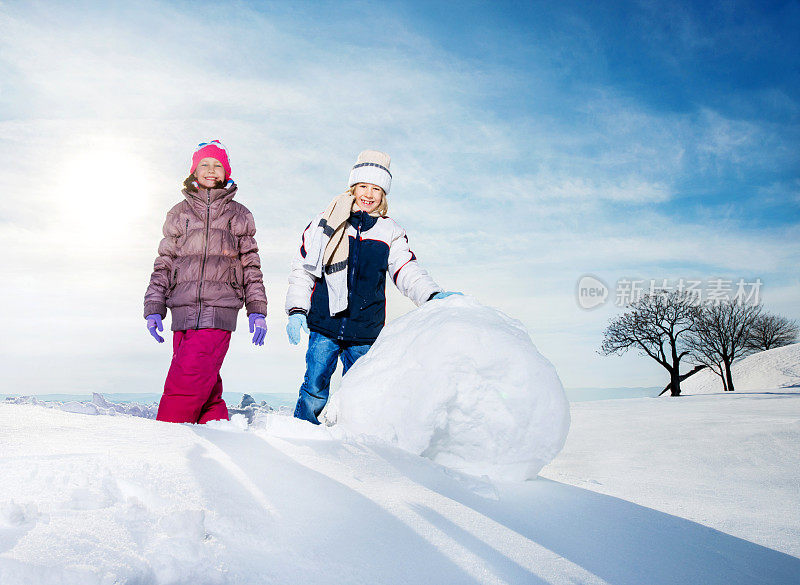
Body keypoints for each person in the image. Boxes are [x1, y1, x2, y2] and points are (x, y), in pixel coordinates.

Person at [285, 150, 461, 424]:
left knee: (360, 395)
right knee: (314, 389)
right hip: (324, 324)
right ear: (353, 188)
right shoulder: (324, 223)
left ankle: (356, 449)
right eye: (364, 186)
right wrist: (297, 308)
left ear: (384, 195)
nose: (369, 194)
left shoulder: (389, 231)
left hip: (365, 331)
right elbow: (303, 270)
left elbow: (406, 270)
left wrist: (432, 295)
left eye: (376, 188)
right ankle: (300, 435)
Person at [143, 140, 268, 424]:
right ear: (194, 170)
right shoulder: (178, 213)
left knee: (185, 382)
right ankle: (215, 429)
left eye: (218, 165)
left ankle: (167, 439)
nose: (211, 170)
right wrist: (154, 304)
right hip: (182, 308)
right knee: (205, 384)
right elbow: (165, 261)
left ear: (227, 172)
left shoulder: (239, 214)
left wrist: (257, 308)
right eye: (205, 164)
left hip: (219, 307)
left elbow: (250, 263)